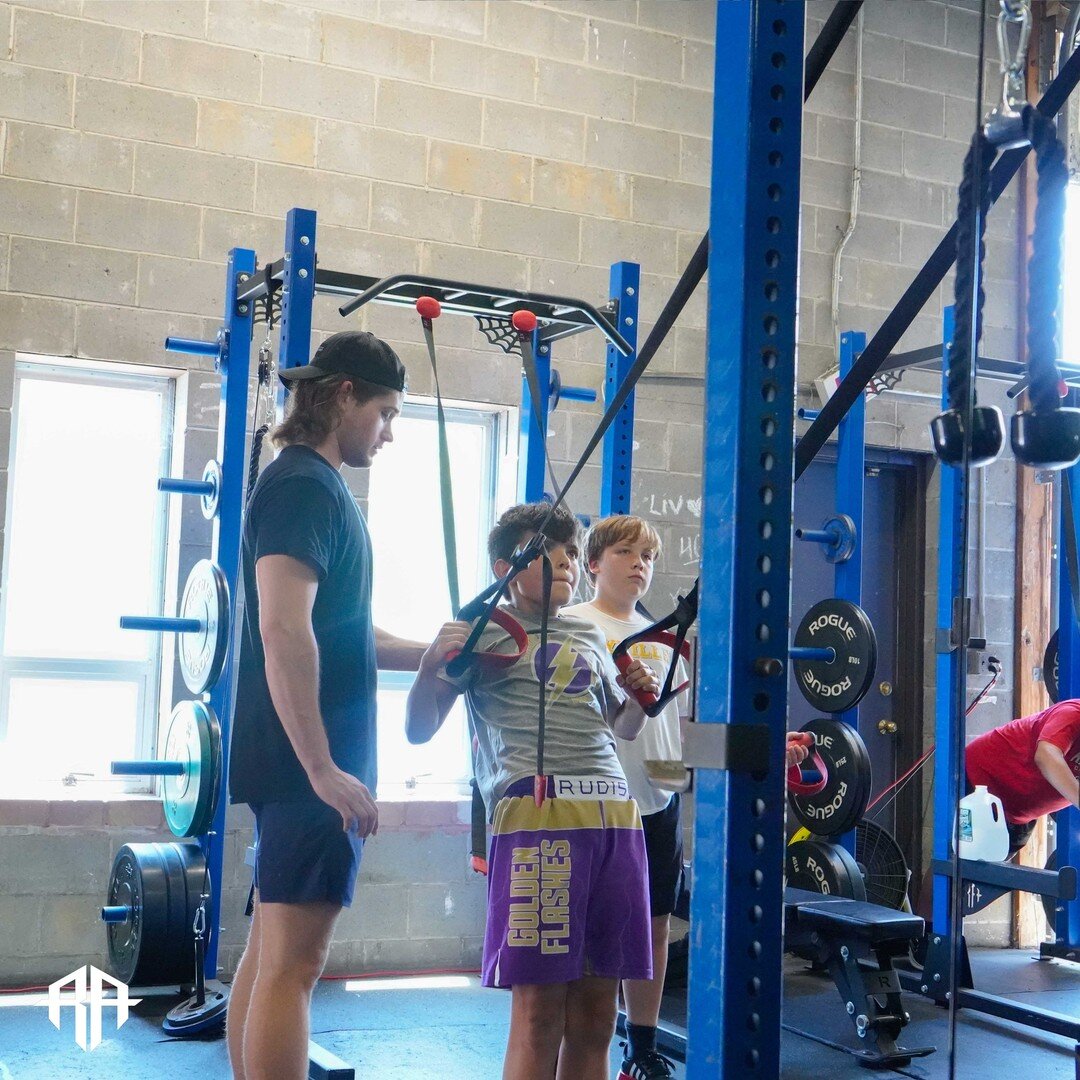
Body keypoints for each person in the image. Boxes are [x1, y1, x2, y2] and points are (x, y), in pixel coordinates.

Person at [227, 330, 429, 1080]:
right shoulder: (305, 485)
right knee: (297, 967)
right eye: (385, 413)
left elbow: (336, 629)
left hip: (302, 763)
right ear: (344, 395)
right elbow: (283, 629)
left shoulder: (313, 486)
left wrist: (434, 651)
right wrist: (322, 769)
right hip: (306, 767)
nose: (389, 433)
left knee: (274, 955)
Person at [405, 502, 661, 1080]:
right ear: (507, 567)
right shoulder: (479, 633)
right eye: (553, 550)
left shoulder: (590, 631)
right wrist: (427, 667)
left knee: (597, 1017)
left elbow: (619, 727)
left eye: (572, 550)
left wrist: (639, 701)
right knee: (539, 1014)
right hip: (539, 817)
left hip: (614, 817)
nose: (569, 560)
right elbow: (418, 730)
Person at [562, 515, 687, 1080]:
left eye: (649, 556)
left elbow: (674, 730)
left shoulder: (667, 642)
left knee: (653, 925)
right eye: (626, 552)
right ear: (593, 562)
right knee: (589, 930)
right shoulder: (571, 624)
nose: (641, 564)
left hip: (658, 801)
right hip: (590, 802)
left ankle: (642, 1046)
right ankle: (585, 1043)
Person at [965, 697, 1080, 856]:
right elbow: (1046, 756)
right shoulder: (1073, 713)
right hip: (979, 782)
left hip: (1018, 817)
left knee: (982, 877)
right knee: (951, 867)